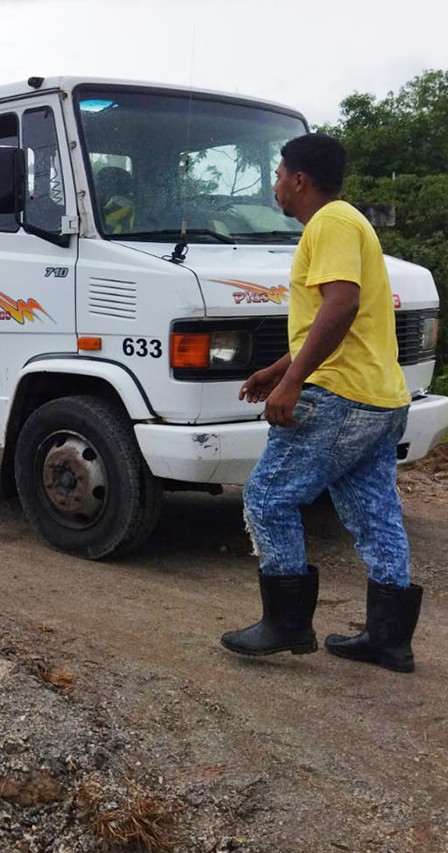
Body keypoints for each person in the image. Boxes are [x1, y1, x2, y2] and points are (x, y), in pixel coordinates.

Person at [220, 133, 420, 673]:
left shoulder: (329, 224)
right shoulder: (351, 221)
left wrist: (293, 385)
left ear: (300, 180)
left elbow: (341, 305)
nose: (276, 183)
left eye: (280, 173)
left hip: (341, 397)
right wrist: (279, 369)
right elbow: (334, 321)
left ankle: (285, 624)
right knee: (373, 512)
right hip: (381, 398)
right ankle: (388, 639)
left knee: (267, 497)